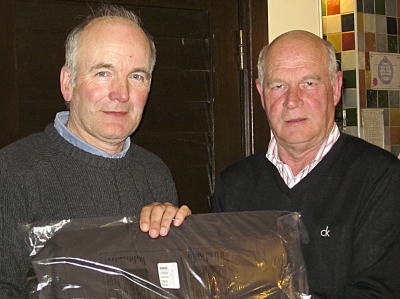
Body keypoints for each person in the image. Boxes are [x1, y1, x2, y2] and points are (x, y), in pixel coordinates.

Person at [0, 4, 190, 298]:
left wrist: (184, 242)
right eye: (103, 73)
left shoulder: (156, 174)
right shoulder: (13, 172)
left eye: (136, 76)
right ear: (68, 83)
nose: (121, 93)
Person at [212, 30, 400, 298]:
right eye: (278, 86)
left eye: (309, 83)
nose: (292, 100)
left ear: (335, 88)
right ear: (261, 94)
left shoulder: (381, 178)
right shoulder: (233, 185)